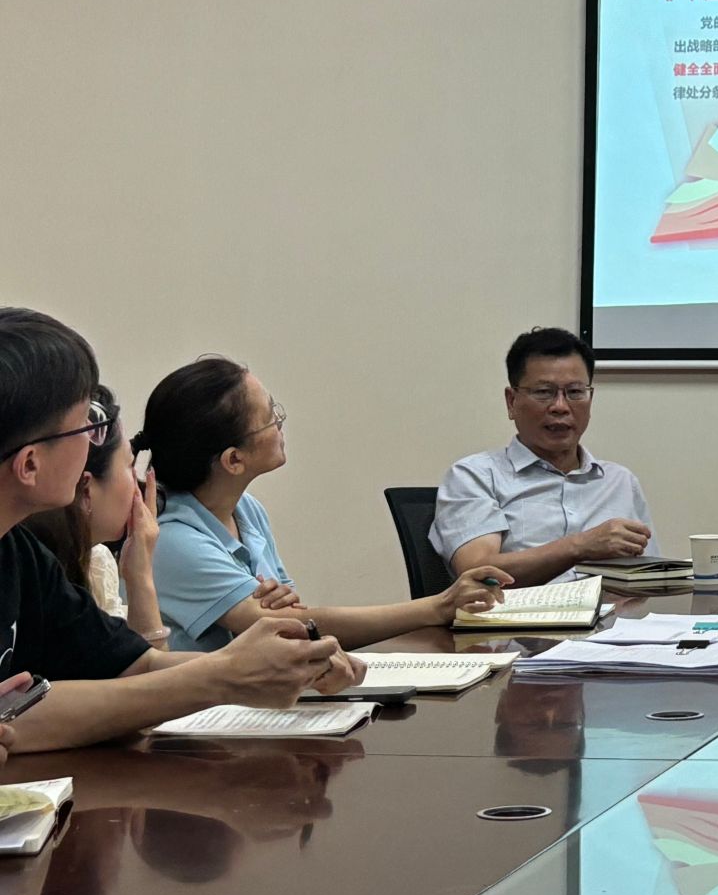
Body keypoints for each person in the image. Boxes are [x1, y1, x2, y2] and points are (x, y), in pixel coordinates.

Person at [0, 307, 361, 756]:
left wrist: (282, 664)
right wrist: (224, 676)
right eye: (88, 425)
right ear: (30, 464)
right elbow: (27, 722)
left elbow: (132, 668)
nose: (96, 443)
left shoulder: (18, 553)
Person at [142, 356, 511, 651]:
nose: (280, 424)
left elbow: (296, 617)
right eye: (270, 418)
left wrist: (285, 613)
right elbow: (288, 627)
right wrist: (437, 606)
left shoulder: (246, 509)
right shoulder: (172, 540)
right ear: (234, 460)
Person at [432, 327, 658, 585]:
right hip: (519, 612)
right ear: (511, 401)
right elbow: (478, 571)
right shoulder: (476, 476)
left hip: (613, 611)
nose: (560, 407)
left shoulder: (620, 481)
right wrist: (580, 546)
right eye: (543, 392)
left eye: (575, 392)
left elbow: (648, 577)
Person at [20, 383, 172, 649]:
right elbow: (154, 674)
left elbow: (145, 669)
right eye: (130, 465)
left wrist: (139, 576)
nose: (139, 484)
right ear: (87, 490)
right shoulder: (26, 572)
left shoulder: (97, 561)